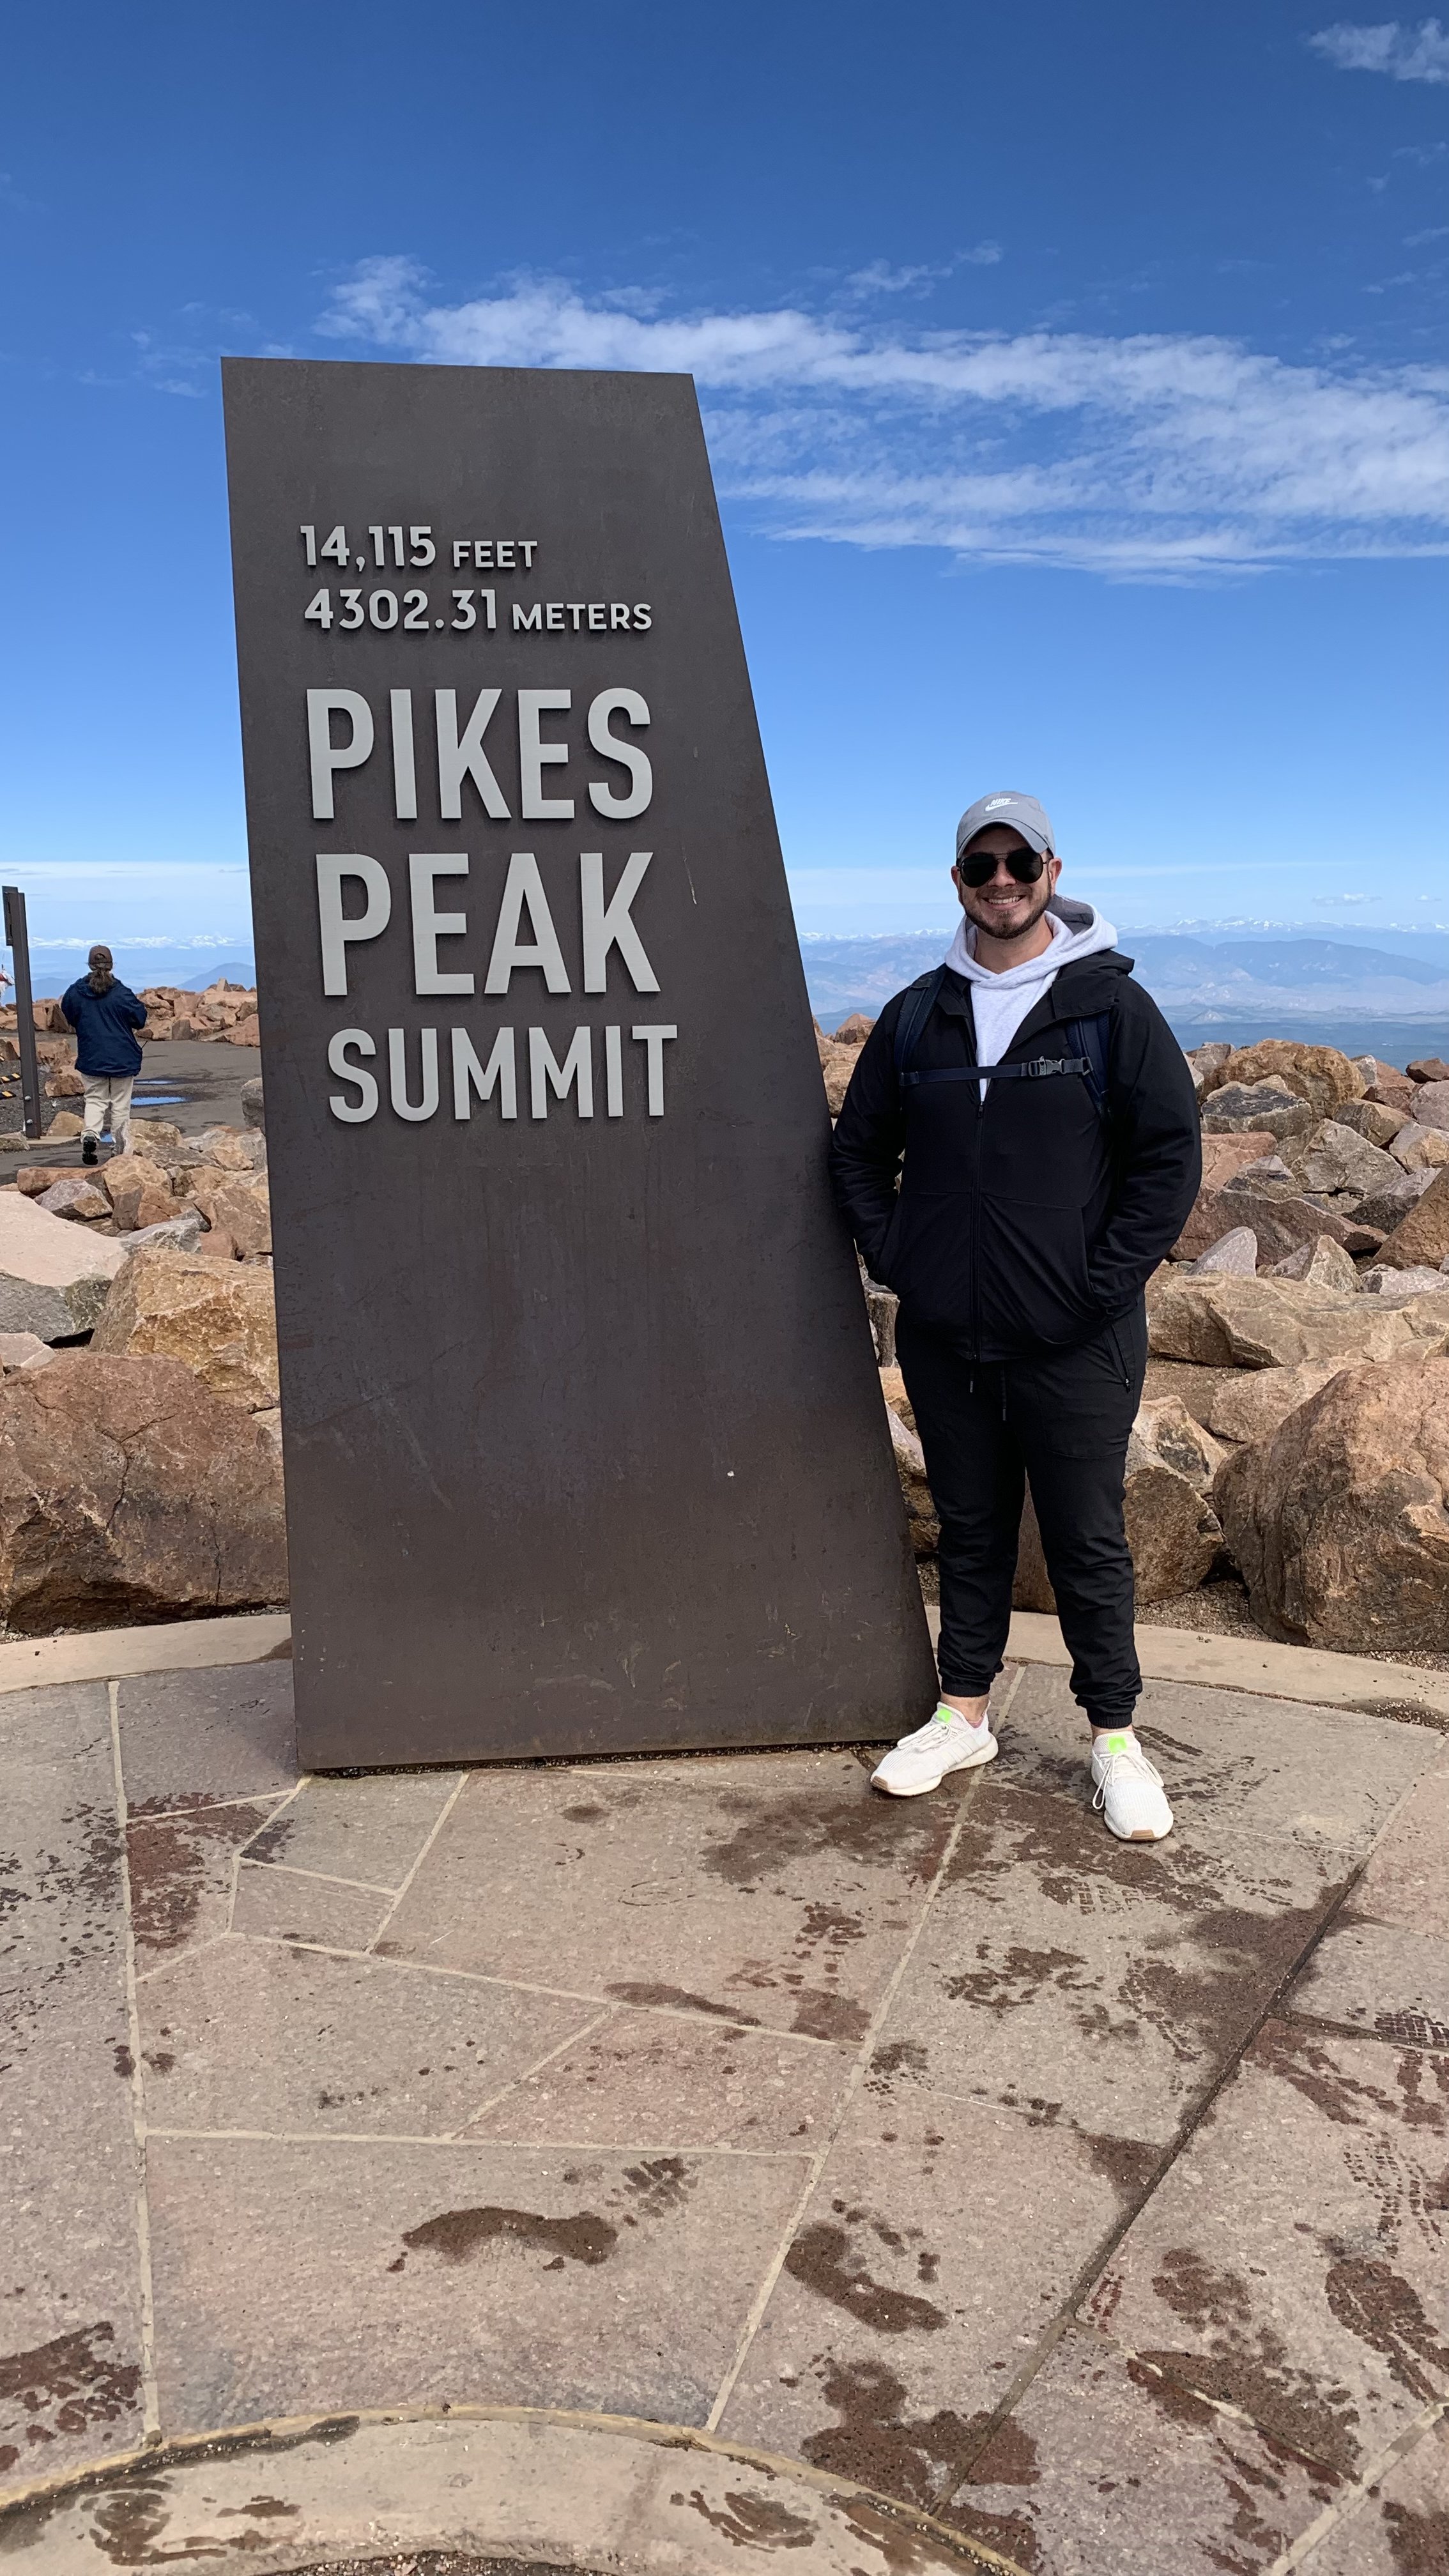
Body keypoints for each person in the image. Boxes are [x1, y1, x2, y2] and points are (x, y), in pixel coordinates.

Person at [830, 791, 1200, 1841]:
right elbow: (857, 1153)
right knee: (971, 1528)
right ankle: (962, 1714)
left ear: (1048, 870)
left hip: (1075, 1337)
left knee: (1085, 1538)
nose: (1000, 881)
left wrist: (1100, 1282)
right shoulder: (917, 1014)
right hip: (947, 1335)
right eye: (980, 866)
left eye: (1017, 863)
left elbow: (1167, 1154)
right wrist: (897, 1252)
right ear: (958, 881)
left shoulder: (1105, 1008)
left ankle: (1115, 1737)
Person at [61, 946, 147, 1164]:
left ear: (90, 965)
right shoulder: (121, 993)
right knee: (120, 1103)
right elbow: (139, 1018)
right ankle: (118, 1147)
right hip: (123, 1057)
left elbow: (68, 1013)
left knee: (95, 1099)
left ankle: (90, 1134)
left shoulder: (76, 992)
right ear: (111, 965)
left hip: (91, 1056)